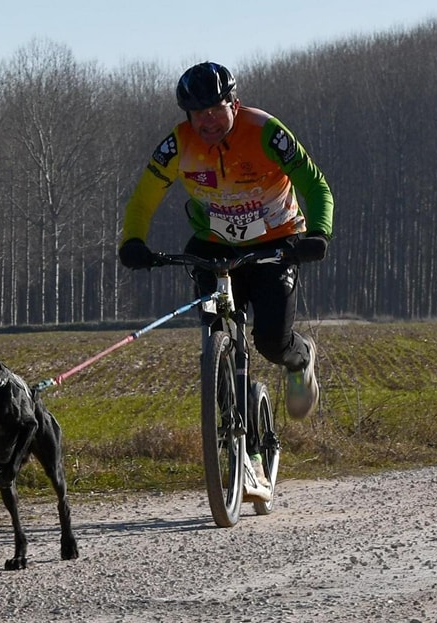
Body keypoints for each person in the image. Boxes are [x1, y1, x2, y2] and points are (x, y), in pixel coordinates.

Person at [118, 61, 334, 488]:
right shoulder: (177, 145)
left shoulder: (266, 132)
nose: (208, 122)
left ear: (234, 104)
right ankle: (243, 448)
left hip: (276, 243)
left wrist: (319, 234)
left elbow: (315, 185)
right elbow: (142, 200)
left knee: (270, 342)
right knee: (216, 341)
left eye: (216, 110)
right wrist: (133, 242)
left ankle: (299, 357)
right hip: (214, 246)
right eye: (198, 115)